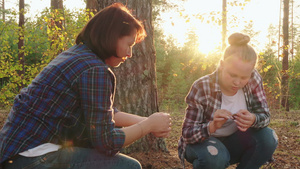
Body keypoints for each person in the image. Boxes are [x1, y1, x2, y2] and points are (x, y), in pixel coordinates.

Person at [0, 3, 171, 169]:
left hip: (15, 155)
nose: (130, 53)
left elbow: (105, 113)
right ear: (111, 36)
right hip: (32, 159)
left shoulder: (78, 55)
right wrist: (147, 126)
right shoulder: (94, 69)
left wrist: (148, 122)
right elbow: (107, 142)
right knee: (128, 166)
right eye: (129, 44)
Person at [178, 32, 278, 169]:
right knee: (214, 156)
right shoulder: (202, 86)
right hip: (203, 143)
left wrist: (253, 119)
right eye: (232, 75)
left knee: (269, 137)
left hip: (235, 141)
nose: (237, 82)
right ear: (222, 65)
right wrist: (212, 126)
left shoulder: (254, 79)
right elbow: (187, 134)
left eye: (244, 77)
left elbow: (265, 115)